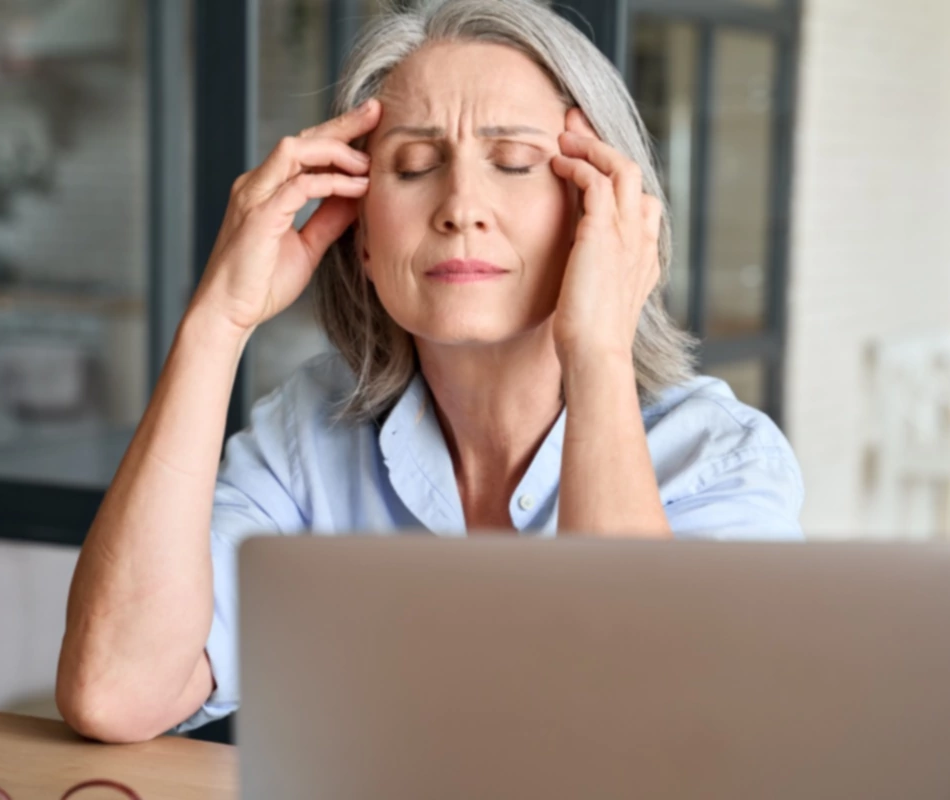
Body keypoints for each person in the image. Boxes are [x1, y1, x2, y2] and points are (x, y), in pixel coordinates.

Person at [55, 0, 805, 744]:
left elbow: (653, 744)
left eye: (513, 164)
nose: (460, 207)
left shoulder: (720, 462)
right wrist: (216, 322)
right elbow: (116, 691)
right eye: (414, 167)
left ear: (597, 213)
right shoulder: (308, 438)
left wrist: (599, 352)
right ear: (363, 238)